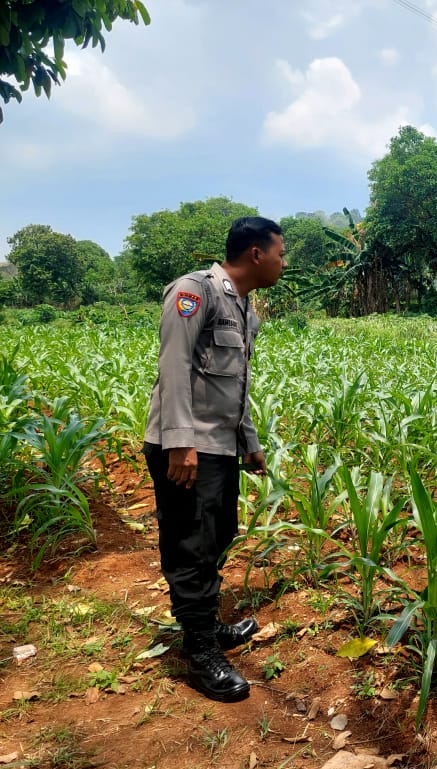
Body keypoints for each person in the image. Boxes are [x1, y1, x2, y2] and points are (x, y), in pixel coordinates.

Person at [143, 216, 287, 702]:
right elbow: (174, 366)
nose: (283, 263)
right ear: (255, 254)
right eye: (280, 254)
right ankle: (200, 651)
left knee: (219, 534)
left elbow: (235, 385)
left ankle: (204, 625)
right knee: (190, 545)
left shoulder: (243, 307)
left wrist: (249, 441)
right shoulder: (194, 292)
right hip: (187, 449)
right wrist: (179, 442)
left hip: (220, 446)